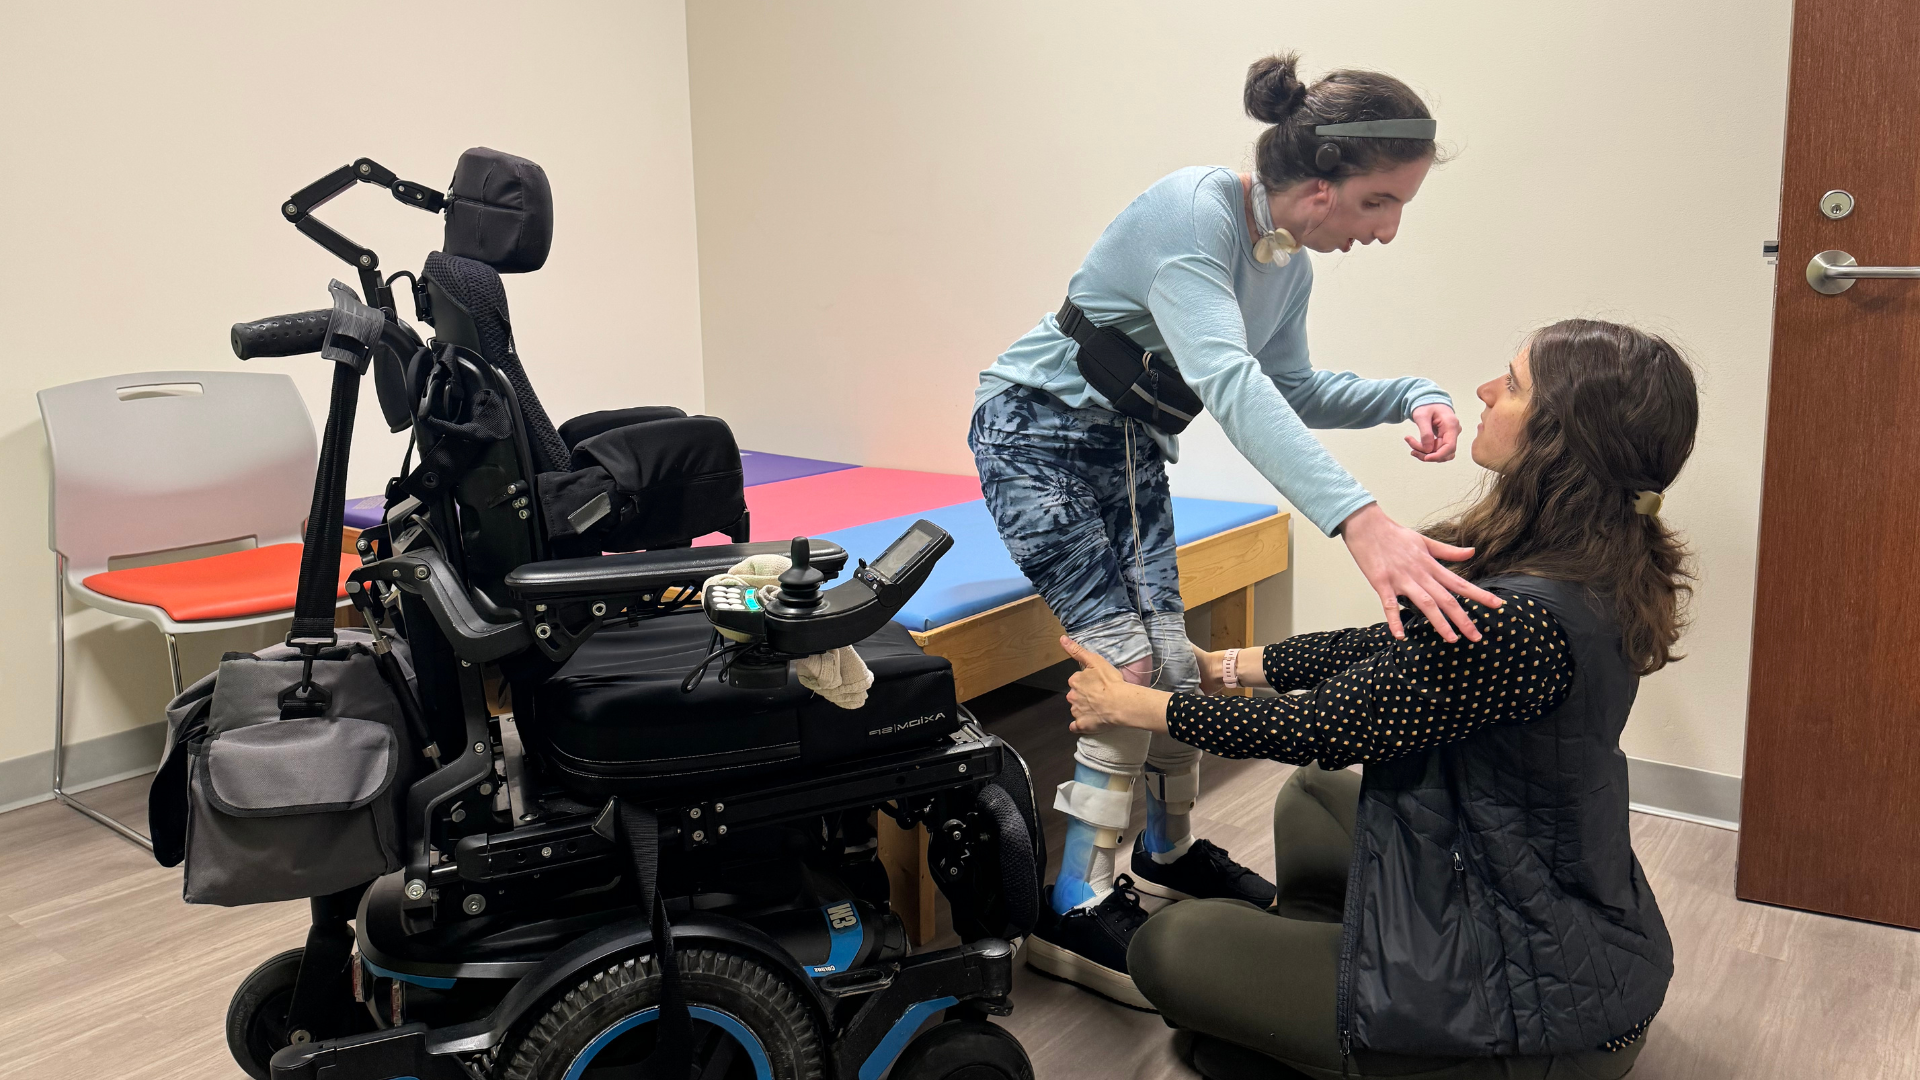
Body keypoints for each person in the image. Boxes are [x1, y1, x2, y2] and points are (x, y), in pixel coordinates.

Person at [969, 51, 1500, 1006]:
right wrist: (1359, 521)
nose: (1386, 231)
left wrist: (1409, 394)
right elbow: (1233, 386)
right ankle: (1075, 902)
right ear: (1321, 183)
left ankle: (1167, 854)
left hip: (1128, 450)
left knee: (1175, 665)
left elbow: (1293, 388)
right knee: (1125, 667)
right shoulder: (1195, 213)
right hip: (1033, 437)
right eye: (1380, 203)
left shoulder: (1282, 262)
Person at [1060, 318, 1697, 1077]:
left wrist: (1135, 708)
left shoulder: (1527, 619)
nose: (1487, 392)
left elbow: (1329, 724)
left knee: (1167, 949)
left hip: (1536, 1011)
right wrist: (1218, 665)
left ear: (1565, 435)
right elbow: (1384, 646)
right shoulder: (1584, 561)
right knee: (1313, 798)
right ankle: (1322, 975)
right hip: (1536, 899)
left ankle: (1373, 1033)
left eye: (1514, 385)